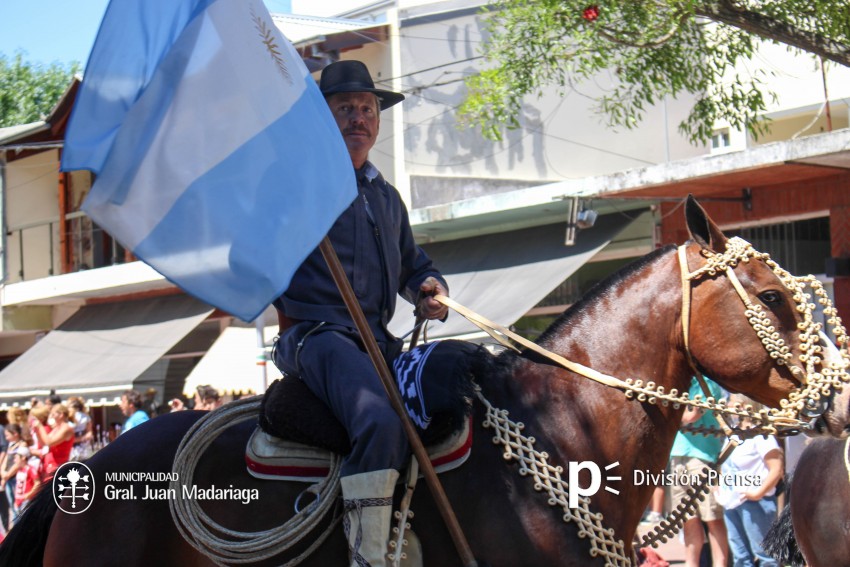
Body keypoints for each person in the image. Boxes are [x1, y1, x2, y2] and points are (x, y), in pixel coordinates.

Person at [271, 59, 449, 567]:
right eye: (345, 108)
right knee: (379, 421)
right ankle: (368, 554)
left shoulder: (386, 197)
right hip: (316, 336)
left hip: (378, 340)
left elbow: (415, 267)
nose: (359, 118)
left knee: (455, 392)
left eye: (367, 108)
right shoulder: (299, 185)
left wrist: (429, 288)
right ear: (323, 119)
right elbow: (259, 251)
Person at [669, 376, 729, 567]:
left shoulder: (707, 384)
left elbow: (690, 416)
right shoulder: (680, 383)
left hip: (703, 458)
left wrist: (668, 415)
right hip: (677, 455)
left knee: (712, 517)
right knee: (688, 518)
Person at [718, 395, 783, 567]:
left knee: (765, 557)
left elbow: (776, 468)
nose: (727, 404)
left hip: (755, 503)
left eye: (731, 400)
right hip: (731, 502)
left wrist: (758, 493)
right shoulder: (733, 435)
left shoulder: (761, 436)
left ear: (743, 405)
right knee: (740, 557)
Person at [32, 403, 75, 478]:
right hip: (50, 465)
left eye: (53, 414)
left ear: (61, 414)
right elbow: (44, 443)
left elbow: (49, 442)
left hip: (58, 466)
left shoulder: (66, 428)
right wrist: (37, 431)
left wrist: (40, 427)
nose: (51, 416)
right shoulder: (57, 428)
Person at [0, 424, 25, 527]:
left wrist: (8, 474)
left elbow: (18, 464)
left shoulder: (22, 445)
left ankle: (19, 526)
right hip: (8, 478)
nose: (6, 438)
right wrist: (2, 472)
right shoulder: (11, 445)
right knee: (12, 504)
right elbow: (6, 459)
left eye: (7, 435)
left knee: (18, 505)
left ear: (15, 434)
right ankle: (15, 526)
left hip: (16, 478)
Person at [12, 447, 41, 520]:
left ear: (23, 458)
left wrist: (29, 494)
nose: (14, 460)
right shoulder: (19, 470)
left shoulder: (30, 469)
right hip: (18, 501)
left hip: (25, 501)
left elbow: (37, 483)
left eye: (16, 458)